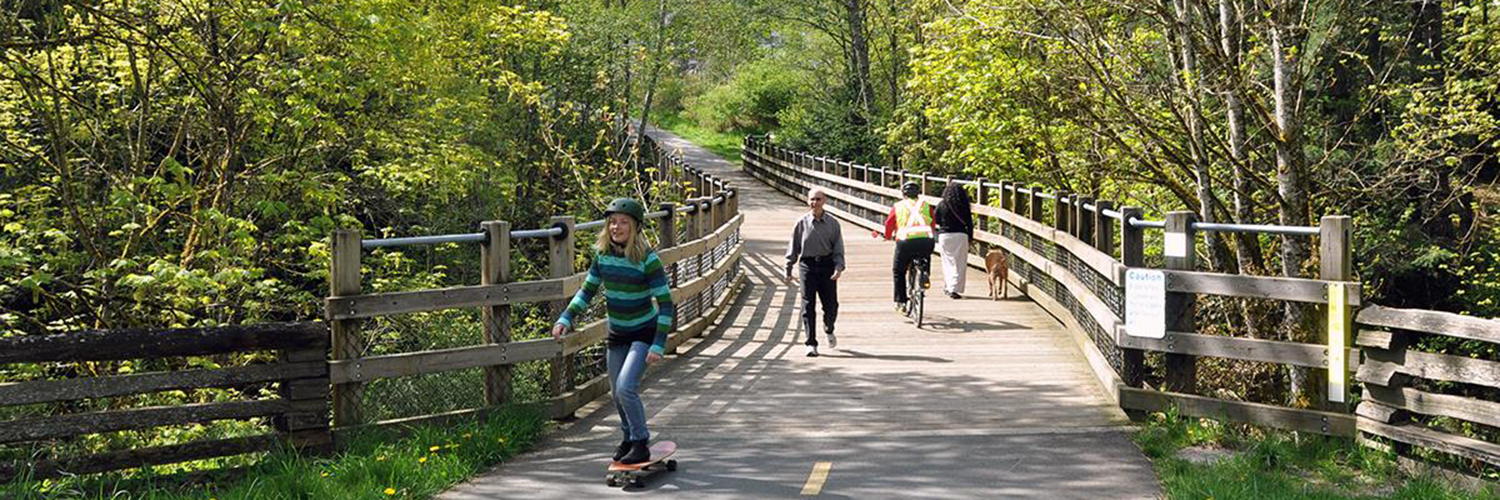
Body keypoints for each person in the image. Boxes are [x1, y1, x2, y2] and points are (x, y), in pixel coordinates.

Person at [552, 198, 675, 465]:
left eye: (623, 222)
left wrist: (658, 343)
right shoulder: (603, 257)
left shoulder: (647, 259)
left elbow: (666, 304)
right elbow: (587, 291)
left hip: (643, 331)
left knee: (625, 387)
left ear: (635, 227)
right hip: (617, 333)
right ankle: (628, 438)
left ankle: (641, 442)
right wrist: (566, 316)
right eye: (612, 222)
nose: (616, 227)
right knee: (615, 392)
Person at [784, 187, 846, 357]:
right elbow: (793, 247)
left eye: (818, 199)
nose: (814, 203)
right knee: (807, 304)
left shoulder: (833, 223)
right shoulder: (801, 223)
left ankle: (829, 328)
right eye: (812, 199)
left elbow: (838, 248)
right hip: (807, 266)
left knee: (831, 305)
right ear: (807, 201)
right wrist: (788, 268)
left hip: (827, 265)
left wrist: (838, 267)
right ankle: (811, 343)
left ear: (824, 201)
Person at [876, 181, 936, 311]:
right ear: (918, 194)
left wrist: (887, 236)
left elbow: (889, 223)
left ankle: (901, 302)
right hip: (926, 241)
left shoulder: (898, 206)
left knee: (898, 271)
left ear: (904, 194)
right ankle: (924, 274)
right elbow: (932, 223)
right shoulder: (926, 205)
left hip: (905, 242)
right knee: (925, 256)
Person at [935, 181, 975, 300]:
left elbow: (936, 219)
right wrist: (970, 238)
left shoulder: (941, 204)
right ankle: (954, 288)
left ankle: (948, 287)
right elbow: (969, 223)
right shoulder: (964, 206)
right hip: (961, 235)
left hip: (945, 236)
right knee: (960, 263)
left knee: (947, 262)